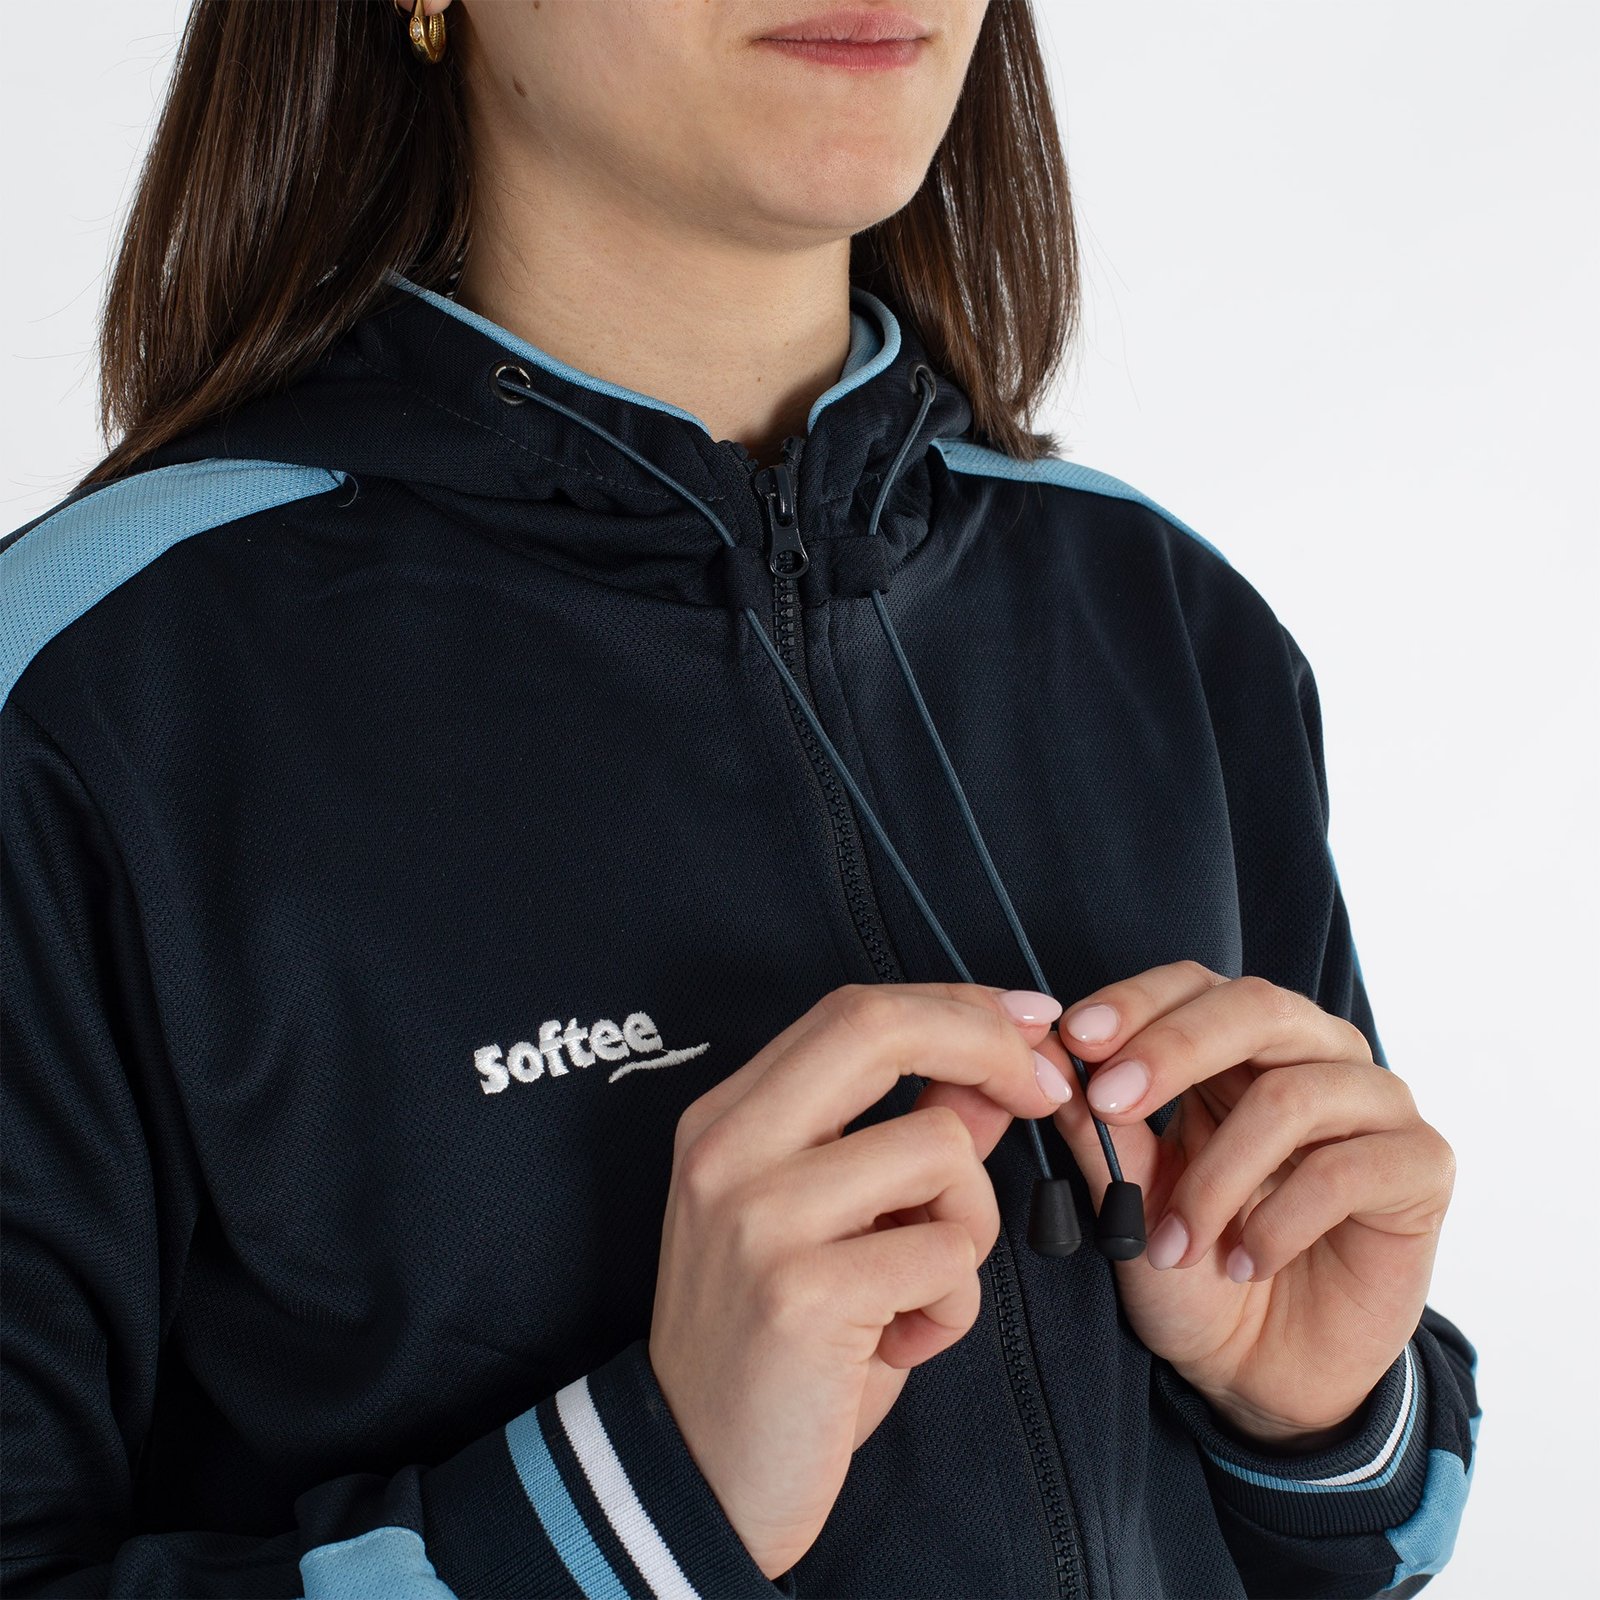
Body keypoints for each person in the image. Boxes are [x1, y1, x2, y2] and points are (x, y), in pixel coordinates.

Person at [0, 1, 1482, 1596]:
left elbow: (1343, 1542)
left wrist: (1322, 1431)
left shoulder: (1164, 616)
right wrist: (633, 1510)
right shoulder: (91, 687)